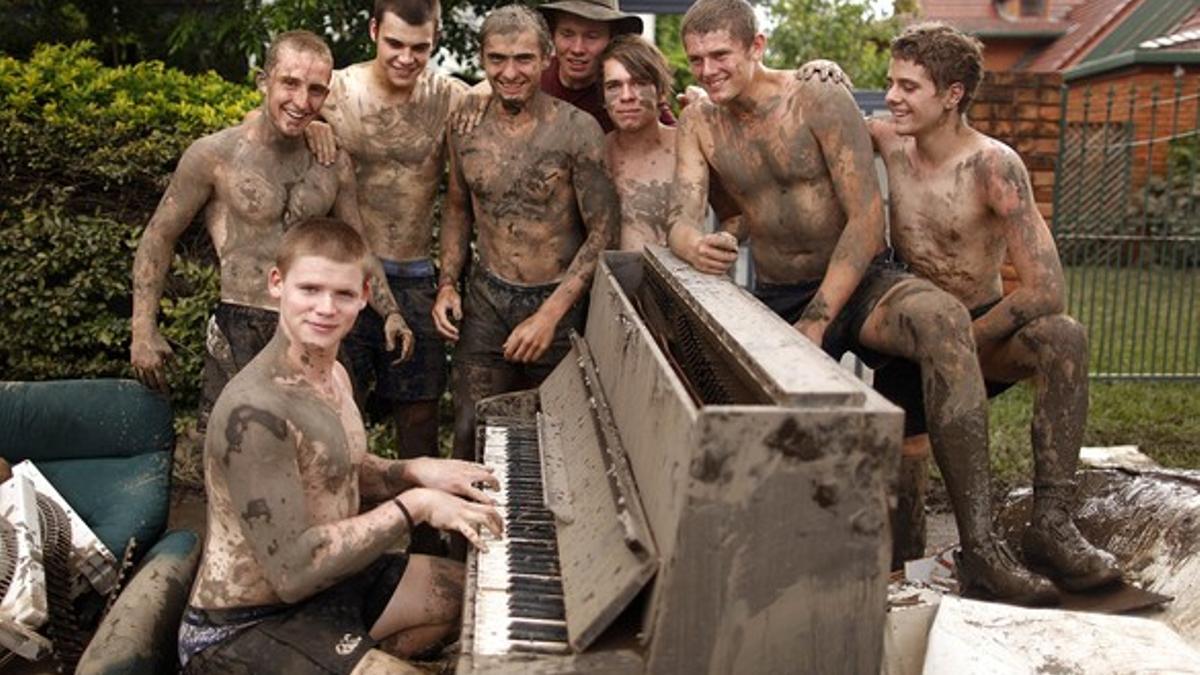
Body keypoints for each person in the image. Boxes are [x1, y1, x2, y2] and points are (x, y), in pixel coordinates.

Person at [667, 0, 1058, 604]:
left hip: (860, 280)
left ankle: (981, 547)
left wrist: (821, 317)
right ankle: (784, 571)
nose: (709, 69)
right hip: (775, 290)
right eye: (697, 59)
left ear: (757, 47)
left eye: (721, 54)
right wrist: (695, 241)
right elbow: (682, 216)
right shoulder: (700, 122)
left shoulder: (817, 99)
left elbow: (866, 219)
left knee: (943, 319)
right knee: (765, 418)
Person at [178, 217, 502, 674]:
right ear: (277, 284)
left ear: (364, 296)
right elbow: (292, 573)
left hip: (329, 585)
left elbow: (335, 468)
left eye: (343, 294)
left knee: (469, 595)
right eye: (309, 289)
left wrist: (416, 470)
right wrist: (416, 506)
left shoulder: (333, 374)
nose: (325, 308)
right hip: (242, 627)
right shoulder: (255, 413)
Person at [865, 22, 1120, 593]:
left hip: (979, 332)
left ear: (953, 94)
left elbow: (1046, 289)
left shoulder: (993, 165)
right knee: (898, 555)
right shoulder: (886, 141)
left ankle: (1051, 523)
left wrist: (960, 345)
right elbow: (819, 124)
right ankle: (918, 572)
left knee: (1064, 336)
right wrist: (818, 78)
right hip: (911, 344)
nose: (892, 97)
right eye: (892, 83)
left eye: (910, 87)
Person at [130, 30, 408, 425]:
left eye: (315, 90)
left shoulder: (332, 163)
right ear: (264, 81)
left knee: (328, 454)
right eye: (289, 83)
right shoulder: (214, 156)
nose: (301, 101)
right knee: (234, 453)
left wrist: (391, 312)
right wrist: (143, 328)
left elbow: (357, 249)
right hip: (241, 324)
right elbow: (159, 235)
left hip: (314, 327)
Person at [433, 5, 619, 461]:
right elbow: (458, 207)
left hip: (558, 304)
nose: (509, 72)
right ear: (482, 59)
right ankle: (463, 534)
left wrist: (550, 315)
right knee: (469, 431)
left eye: (523, 59)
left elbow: (603, 234)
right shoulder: (465, 127)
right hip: (487, 300)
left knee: (554, 443)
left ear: (546, 58)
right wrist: (446, 285)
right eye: (497, 59)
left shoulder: (579, 131)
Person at [307, 0, 467, 460]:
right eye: (394, 43)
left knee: (418, 415)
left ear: (434, 41)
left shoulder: (450, 98)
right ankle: (343, 524)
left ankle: (421, 530)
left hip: (416, 273)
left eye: (420, 48)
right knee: (337, 408)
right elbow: (262, 121)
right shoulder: (338, 89)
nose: (406, 58)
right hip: (345, 272)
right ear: (374, 30)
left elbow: (513, 102)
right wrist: (312, 127)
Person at [600, 34, 691, 250]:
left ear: (660, 91)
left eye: (639, 83)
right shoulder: (593, 152)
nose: (626, 96)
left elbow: (734, 215)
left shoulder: (686, 147)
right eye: (613, 86)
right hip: (605, 280)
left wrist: (709, 253)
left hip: (675, 278)